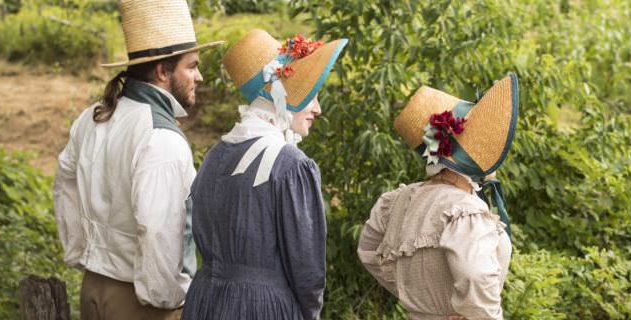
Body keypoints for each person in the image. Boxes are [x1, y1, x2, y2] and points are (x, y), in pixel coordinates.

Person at [53, 1, 223, 319]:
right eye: (192, 65)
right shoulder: (162, 138)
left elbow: (65, 187)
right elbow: (158, 229)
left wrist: (79, 252)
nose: (199, 76)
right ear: (162, 71)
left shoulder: (91, 117)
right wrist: (169, 301)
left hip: (93, 289)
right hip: (141, 303)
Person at [181, 29, 347, 320]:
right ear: (284, 97)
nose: (318, 109)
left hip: (205, 303)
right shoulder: (292, 165)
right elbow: (308, 271)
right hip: (262, 308)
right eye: (312, 96)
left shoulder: (215, 157)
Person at [358, 73, 520, 319]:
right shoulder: (465, 210)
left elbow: (368, 250)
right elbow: (476, 275)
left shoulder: (397, 201)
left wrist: (414, 296)